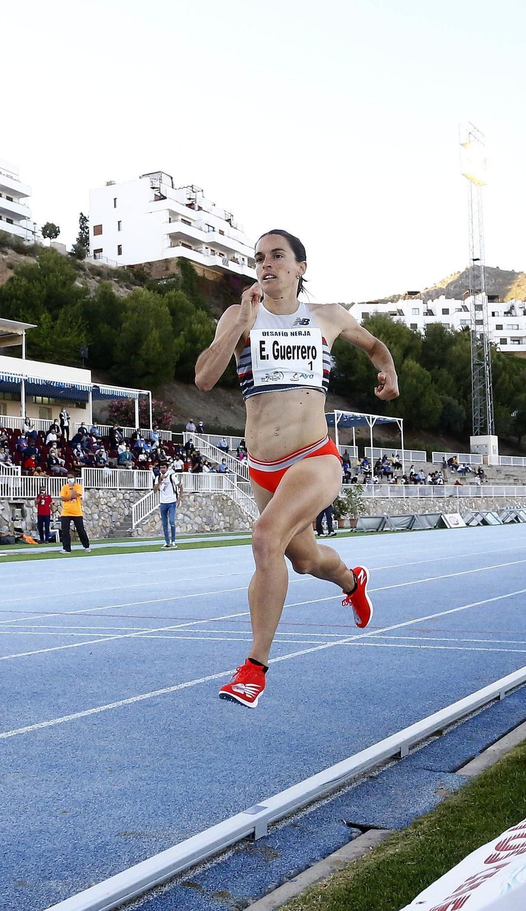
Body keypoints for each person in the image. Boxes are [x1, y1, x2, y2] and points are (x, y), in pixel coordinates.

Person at [193, 228, 397, 708]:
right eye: (259, 257)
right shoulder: (239, 316)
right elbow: (203, 378)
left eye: (277, 256)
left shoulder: (328, 316)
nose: (266, 264)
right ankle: (352, 581)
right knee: (303, 560)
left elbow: (374, 346)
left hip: (314, 457)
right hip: (262, 466)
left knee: (266, 537)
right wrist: (240, 324)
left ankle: (254, 669)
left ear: (300, 268)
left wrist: (388, 371)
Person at [58, 475, 90, 553]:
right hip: (66, 512)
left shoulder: (78, 486)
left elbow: (75, 495)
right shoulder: (64, 487)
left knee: (80, 529)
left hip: (76, 512)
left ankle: (86, 546)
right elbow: (63, 498)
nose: (70, 479)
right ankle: (66, 548)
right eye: (68, 478)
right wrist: (70, 497)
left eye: (71, 477)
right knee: (65, 530)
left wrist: (71, 488)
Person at [156, 462, 181, 548]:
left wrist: (179, 499)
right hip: (163, 502)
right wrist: (159, 481)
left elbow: (180, 486)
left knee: (172, 521)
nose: (162, 469)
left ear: (167, 468)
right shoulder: (158, 477)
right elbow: (155, 490)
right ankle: (167, 542)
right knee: (164, 523)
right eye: (161, 467)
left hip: (171, 502)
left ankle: (173, 541)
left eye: (164, 467)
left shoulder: (171, 476)